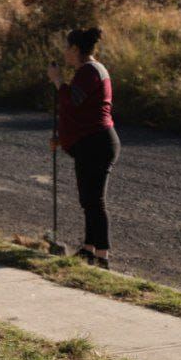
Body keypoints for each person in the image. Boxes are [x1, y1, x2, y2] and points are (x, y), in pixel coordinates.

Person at [48, 27, 119, 270]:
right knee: (87, 199)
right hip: (91, 142)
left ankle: (102, 255)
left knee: (95, 201)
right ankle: (89, 249)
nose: (65, 52)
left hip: (97, 143)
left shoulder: (89, 71)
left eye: (67, 47)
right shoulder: (88, 71)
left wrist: (58, 81)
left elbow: (72, 101)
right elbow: (76, 112)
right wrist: (63, 137)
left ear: (76, 49)